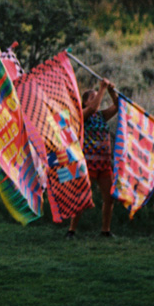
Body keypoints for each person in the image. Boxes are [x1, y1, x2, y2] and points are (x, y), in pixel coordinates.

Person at [67, 78, 119, 238]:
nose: (96, 99)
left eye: (97, 96)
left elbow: (117, 106)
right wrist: (102, 88)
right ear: (85, 102)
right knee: (81, 197)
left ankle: (105, 230)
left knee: (109, 198)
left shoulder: (101, 116)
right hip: (88, 164)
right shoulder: (82, 115)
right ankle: (71, 230)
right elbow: (94, 106)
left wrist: (111, 91)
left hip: (104, 164)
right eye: (92, 97)